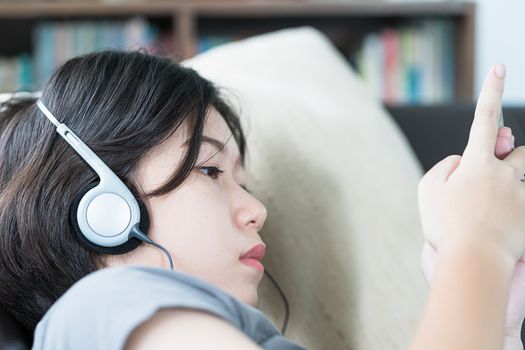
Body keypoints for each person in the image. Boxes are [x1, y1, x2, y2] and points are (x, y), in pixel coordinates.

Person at [0, 50, 522, 349]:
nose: (257, 210)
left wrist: (493, 314)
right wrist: (475, 246)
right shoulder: (106, 302)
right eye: (209, 170)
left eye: (244, 183)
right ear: (104, 212)